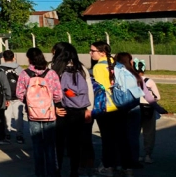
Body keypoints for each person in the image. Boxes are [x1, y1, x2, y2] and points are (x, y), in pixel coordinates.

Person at [17, 48, 62, 177]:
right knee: (49, 144)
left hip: (33, 113)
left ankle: (40, 173)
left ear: (29, 59)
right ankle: (52, 172)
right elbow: (58, 94)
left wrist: (30, 102)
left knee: (37, 144)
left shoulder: (24, 74)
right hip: (49, 112)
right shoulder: (51, 73)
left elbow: (19, 94)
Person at [91, 41, 134, 176]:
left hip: (106, 107)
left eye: (93, 51)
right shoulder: (117, 64)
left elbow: (100, 89)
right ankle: (127, 168)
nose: (90, 53)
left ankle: (108, 166)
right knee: (122, 138)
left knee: (108, 139)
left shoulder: (98, 67)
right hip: (121, 105)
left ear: (102, 52)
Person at [51, 43, 93, 177]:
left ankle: (57, 170)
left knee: (58, 142)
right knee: (76, 142)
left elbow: (49, 91)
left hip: (60, 109)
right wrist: (89, 109)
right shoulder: (81, 68)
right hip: (79, 109)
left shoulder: (54, 69)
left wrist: (54, 107)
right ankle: (74, 171)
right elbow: (89, 90)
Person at [0, 49, 25, 144]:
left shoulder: (0, 69)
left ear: (4, 59)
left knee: (6, 116)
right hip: (18, 97)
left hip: (5, 97)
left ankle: (7, 134)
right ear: (14, 58)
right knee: (18, 117)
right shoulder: (19, 69)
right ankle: (19, 136)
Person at [136, 60, 160, 164]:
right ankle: (147, 155)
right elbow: (158, 97)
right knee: (149, 133)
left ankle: (135, 154)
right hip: (148, 109)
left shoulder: (131, 80)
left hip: (135, 108)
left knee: (134, 133)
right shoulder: (150, 81)